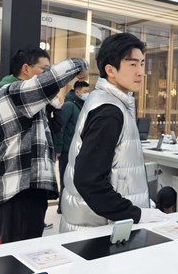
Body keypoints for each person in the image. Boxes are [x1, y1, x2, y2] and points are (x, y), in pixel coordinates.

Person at [59, 33, 168, 231]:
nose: (141, 72)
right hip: (98, 229)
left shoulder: (106, 100)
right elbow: (88, 180)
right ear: (110, 70)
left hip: (98, 222)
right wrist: (135, 213)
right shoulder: (109, 111)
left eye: (142, 63)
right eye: (132, 64)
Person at [0, 46, 88, 244]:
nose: (47, 74)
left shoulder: (28, 100)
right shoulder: (11, 92)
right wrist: (81, 65)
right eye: (44, 69)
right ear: (26, 69)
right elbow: (51, 81)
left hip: (30, 188)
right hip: (19, 190)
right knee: (16, 252)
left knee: (27, 249)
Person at [53, 80, 90, 213]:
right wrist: (58, 149)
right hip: (66, 150)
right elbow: (60, 128)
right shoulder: (69, 105)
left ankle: (69, 206)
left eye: (88, 91)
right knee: (65, 179)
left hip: (76, 149)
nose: (87, 94)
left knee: (73, 179)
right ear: (77, 92)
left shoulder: (81, 105)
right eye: (85, 92)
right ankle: (62, 207)